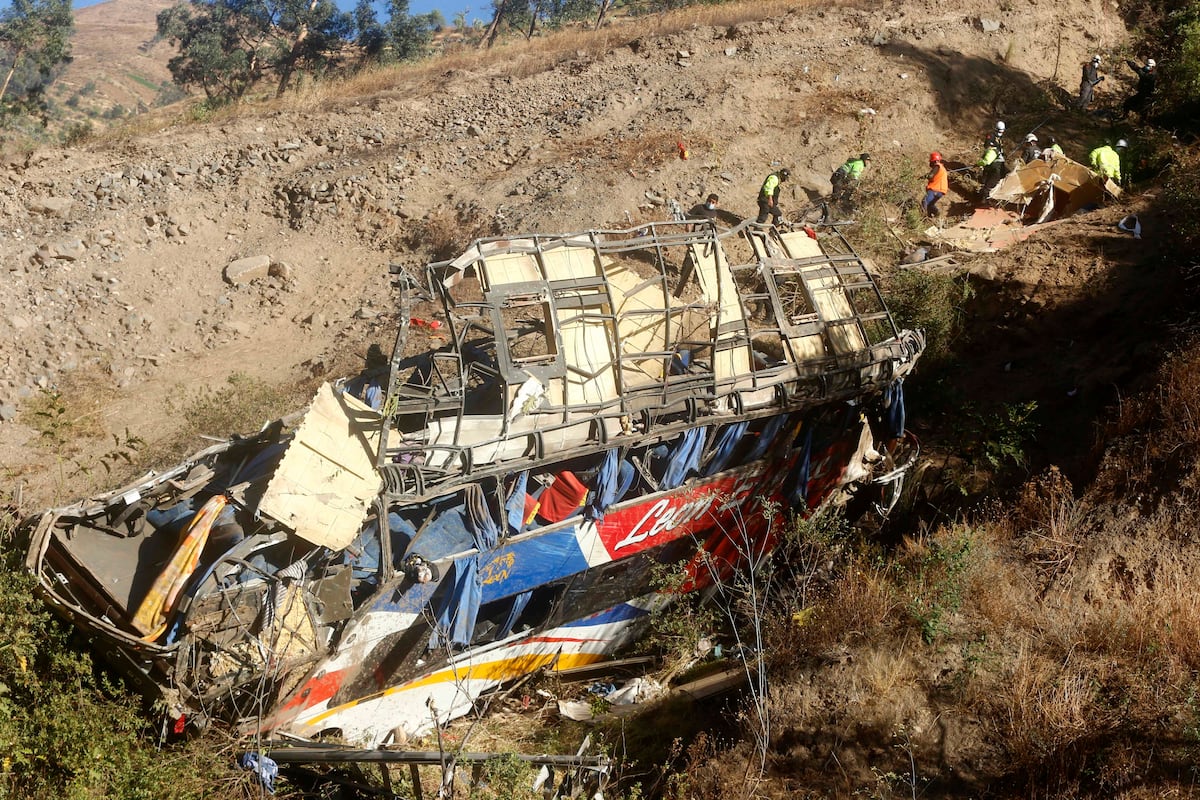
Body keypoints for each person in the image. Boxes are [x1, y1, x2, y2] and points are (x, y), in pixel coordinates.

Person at [976, 121, 1007, 199]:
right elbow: (987, 146)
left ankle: (986, 191)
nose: (1000, 133)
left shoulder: (1000, 138)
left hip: (998, 159)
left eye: (1001, 132)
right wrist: (993, 151)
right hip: (991, 158)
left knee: (999, 176)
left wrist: (1002, 153)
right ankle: (983, 193)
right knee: (989, 176)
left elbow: (1001, 147)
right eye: (999, 131)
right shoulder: (991, 135)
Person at [921, 151, 948, 217]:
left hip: (935, 189)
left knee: (924, 201)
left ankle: (923, 218)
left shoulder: (937, 166)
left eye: (931, 161)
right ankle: (936, 215)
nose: (930, 163)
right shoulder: (942, 168)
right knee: (930, 205)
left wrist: (927, 176)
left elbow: (931, 176)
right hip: (941, 191)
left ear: (935, 161)